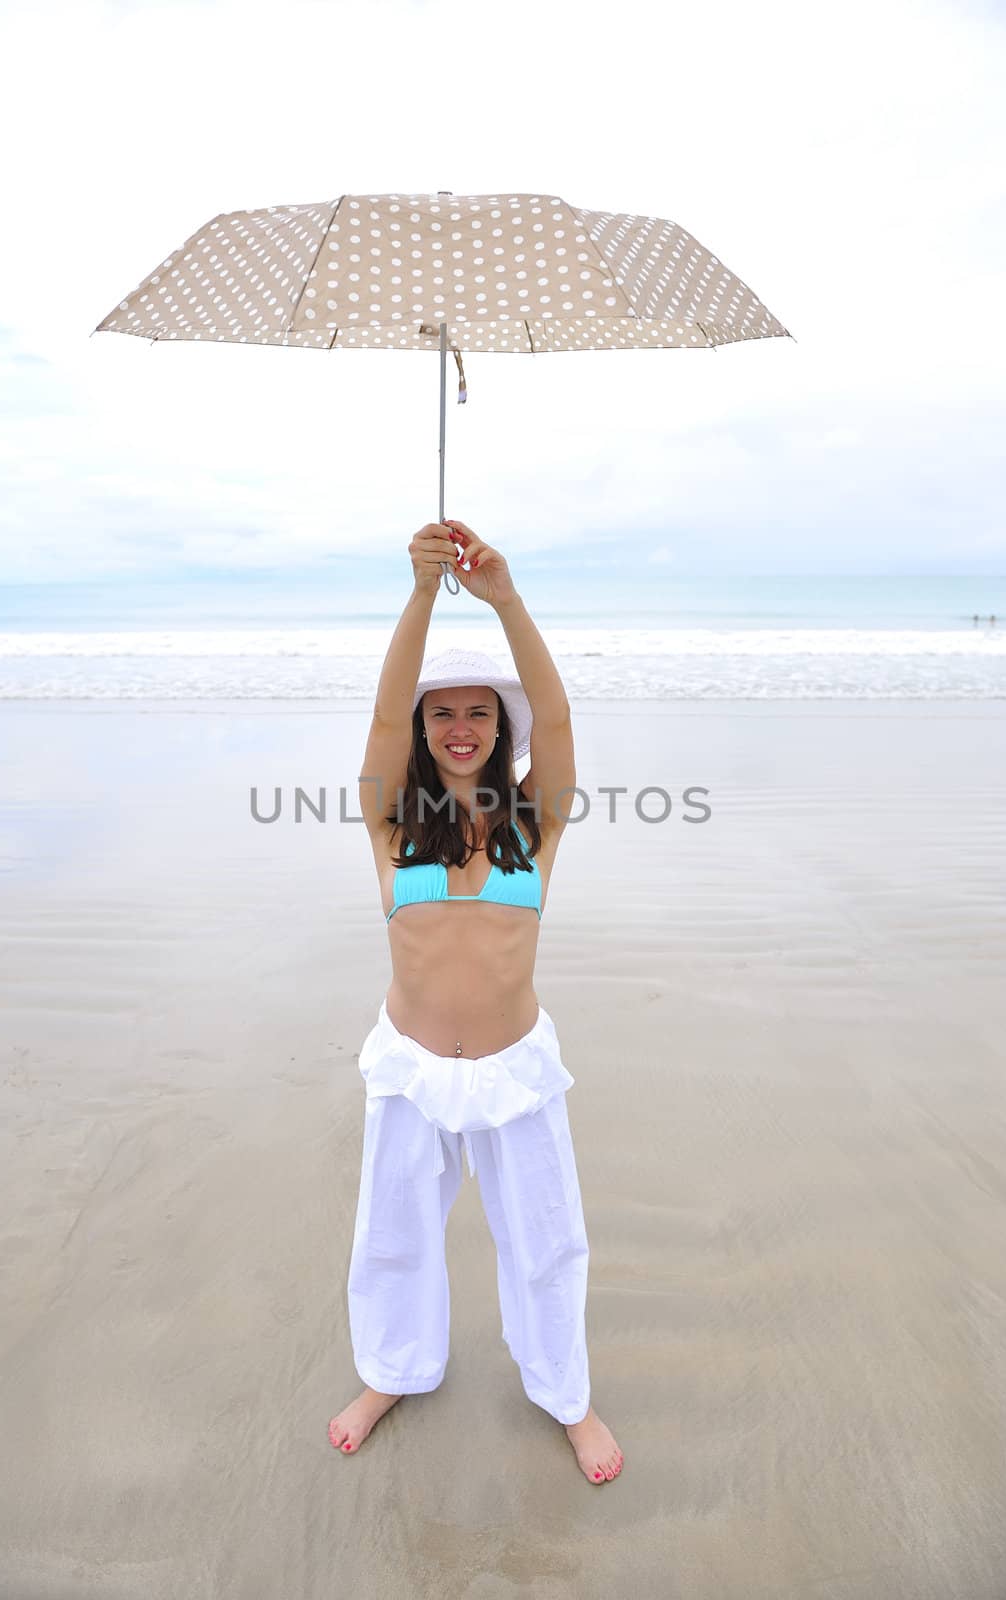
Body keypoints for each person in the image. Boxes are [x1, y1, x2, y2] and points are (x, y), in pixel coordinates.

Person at [328, 519, 623, 1486]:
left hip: (515, 1071)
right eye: (441, 714)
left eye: (479, 716)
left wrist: (503, 598)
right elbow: (377, 719)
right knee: (393, 1234)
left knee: (545, 1239)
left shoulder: (533, 827)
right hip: (411, 1069)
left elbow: (563, 720)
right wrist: (420, 595)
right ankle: (392, 1371)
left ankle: (565, 1396)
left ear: (501, 732)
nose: (459, 728)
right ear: (422, 733)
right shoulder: (390, 825)